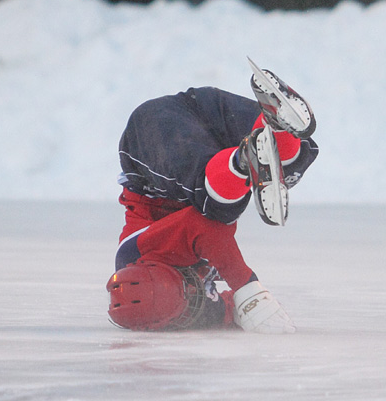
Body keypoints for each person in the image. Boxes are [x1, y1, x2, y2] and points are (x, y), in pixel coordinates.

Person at [106, 63, 318, 333]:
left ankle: (242, 163)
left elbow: (204, 230)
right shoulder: (189, 303)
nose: (197, 302)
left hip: (151, 138)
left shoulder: (135, 253)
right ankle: (274, 125)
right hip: (210, 116)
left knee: (213, 207)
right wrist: (240, 313)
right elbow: (224, 308)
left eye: (189, 294)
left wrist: (247, 288)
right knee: (292, 155)